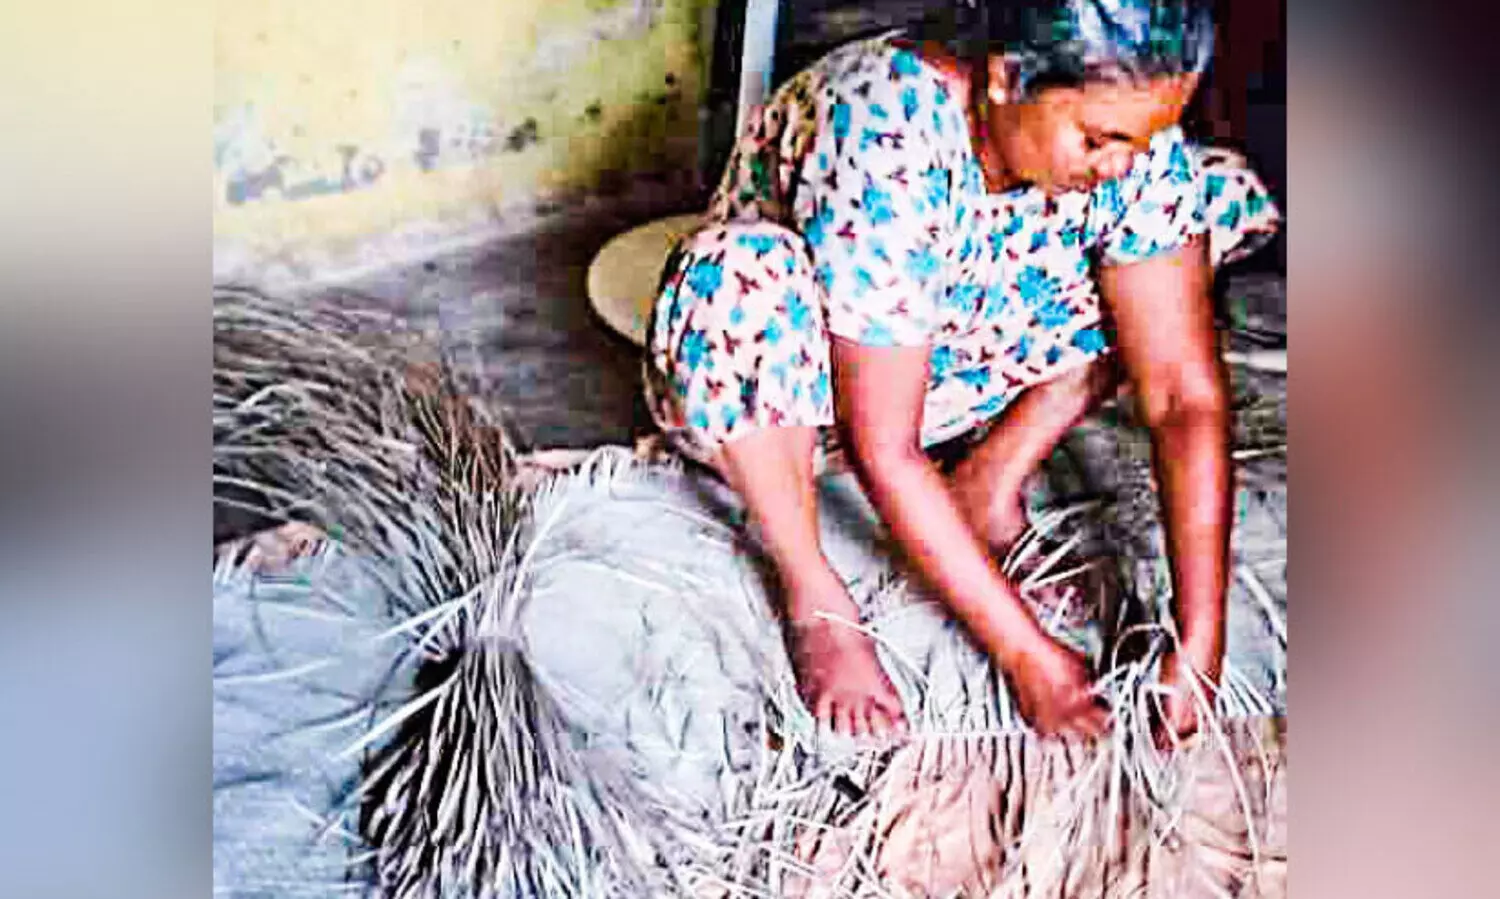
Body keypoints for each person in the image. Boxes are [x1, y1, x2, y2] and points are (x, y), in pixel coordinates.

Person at [642, 0, 1280, 742]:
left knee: (1207, 204)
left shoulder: (1125, 146)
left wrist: (1201, 631)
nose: (1120, 164)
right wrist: (1029, 657)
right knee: (734, 274)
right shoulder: (882, 126)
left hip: (945, 358)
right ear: (1006, 78)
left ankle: (988, 484)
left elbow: (1182, 394)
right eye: (1099, 138)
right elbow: (887, 447)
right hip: (790, 395)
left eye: (1142, 138)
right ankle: (817, 597)